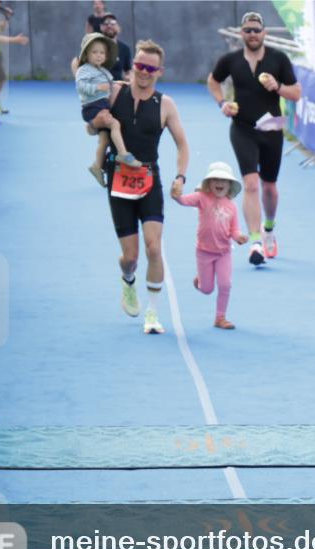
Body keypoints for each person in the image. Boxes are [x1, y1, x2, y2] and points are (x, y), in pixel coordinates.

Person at [104, 39, 188, 335]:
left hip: (149, 179)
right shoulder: (115, 92)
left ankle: (152, 313)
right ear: (132, 67)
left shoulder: (165, 104)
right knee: (131, 257)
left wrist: (181, 176)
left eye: (150, 68)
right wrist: (95, 125)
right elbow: (91, 124)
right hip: (118, 180)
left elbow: (182, 144)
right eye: (139, 66)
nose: (144, 72)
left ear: (159, 72)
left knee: (154, 248)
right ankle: (128, 281)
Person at [207, 11, 300, 266]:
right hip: (242, 128)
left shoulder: (278, 59)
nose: (252, 34)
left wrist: (278, 88)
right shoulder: (230, 60)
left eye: (256, 30)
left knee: (269, 186)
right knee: (250, 184)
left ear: (264, 33)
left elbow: (297, 93)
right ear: (241, 33)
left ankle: (269, 229)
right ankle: (255, 241)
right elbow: (213, 82)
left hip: (272, 130)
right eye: (247, 30)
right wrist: (223, 103)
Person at [172, 161, 248, 330]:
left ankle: (220, 317)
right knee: (206, 289)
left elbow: (234, 229)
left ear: (230, 185)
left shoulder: (232, 206)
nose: (219, 183)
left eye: (224, 180)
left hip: (224, 253)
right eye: (215, 180)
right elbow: (183, 201)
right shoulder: (202, 198)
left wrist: (238, 237)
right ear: (208, 183)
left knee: (225, 284)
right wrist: (176, 194)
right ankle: (200, 280)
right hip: (204, 252)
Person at [75, 32, 140, 186]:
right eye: (94, 52)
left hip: (103, 105)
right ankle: (123, 154)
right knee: (115, 124)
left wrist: (121, 83)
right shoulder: (84, 70)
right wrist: (98, 87)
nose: (98, 56)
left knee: (104, 139)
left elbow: (111, 84)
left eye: (102, 53)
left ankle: (97, 166)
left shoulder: (104, 71)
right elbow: (81, 87)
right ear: (86, 55)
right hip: (93, 106)